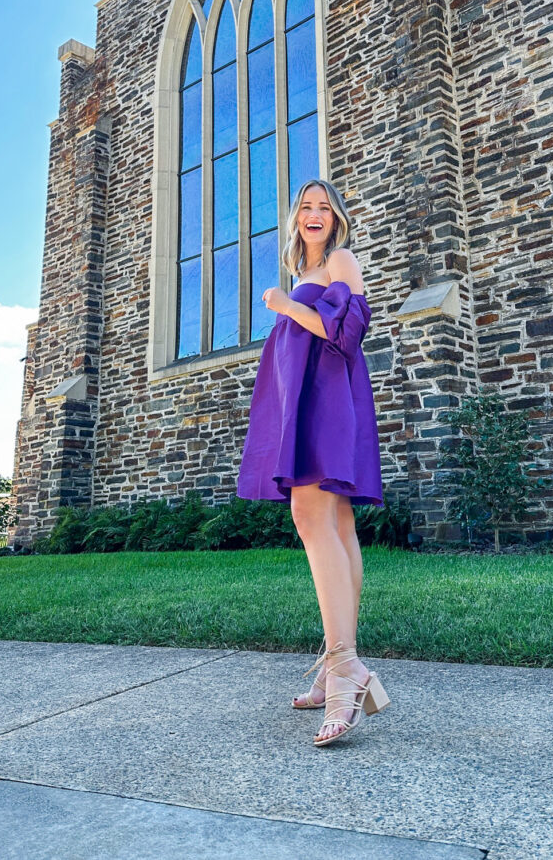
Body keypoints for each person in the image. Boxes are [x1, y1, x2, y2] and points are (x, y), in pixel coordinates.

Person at [237, 177, 390, 746]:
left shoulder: (341, 261)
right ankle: (335, 664)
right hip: (306, 403)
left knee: (310, 517)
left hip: (329, 401)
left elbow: (347, 331)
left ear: (338, 219)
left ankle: (347, 666)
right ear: (295, 219)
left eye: (325, 206)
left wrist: (282, 306)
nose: (315, 213)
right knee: (337, 525)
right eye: (306, 206)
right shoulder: (304, 275)